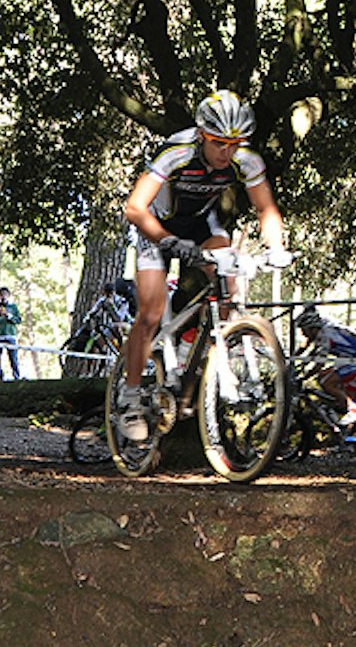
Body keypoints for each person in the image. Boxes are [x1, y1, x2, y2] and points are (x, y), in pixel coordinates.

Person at [117, 89, 291, 443]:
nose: (227, 152)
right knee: (150, 314)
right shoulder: (177, 151)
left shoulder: (246, 159)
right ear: (201, 136)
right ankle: (130, 394)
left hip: (199, 224)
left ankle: (187, 351)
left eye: (235, 143)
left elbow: (265, 208)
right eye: (218, 144)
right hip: (157, 226)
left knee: (229, 280)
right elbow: (134, 207)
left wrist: (275, 247)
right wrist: (166, 241)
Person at [0, 287, 23, 378]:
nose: (3, 297)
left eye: (5, 295)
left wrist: (9, 316)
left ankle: (16, 376)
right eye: (1, 295)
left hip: (10, 335)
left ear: (8, 296)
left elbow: (18, 320)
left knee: (13, 358)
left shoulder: (13, 307)